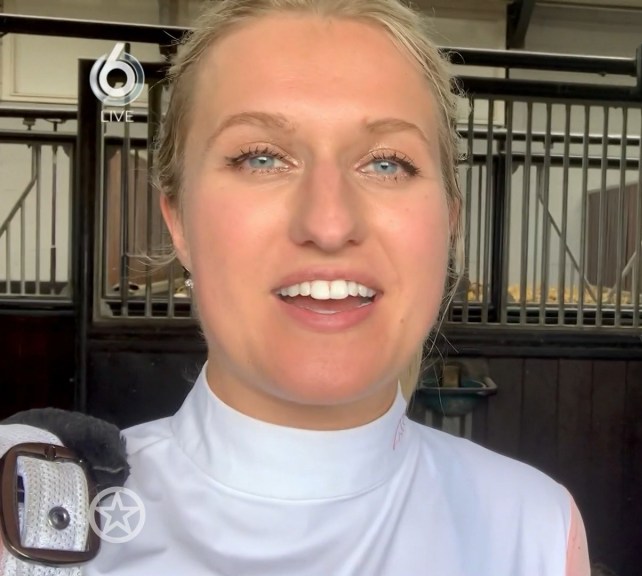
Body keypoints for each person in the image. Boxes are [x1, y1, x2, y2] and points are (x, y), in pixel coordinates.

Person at [0, 1, 590, 574]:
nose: (329, 224)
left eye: (387, 163)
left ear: (448, 222)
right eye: (261, 159)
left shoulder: (533, 528)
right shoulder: (28, 522)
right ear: (178, 219)